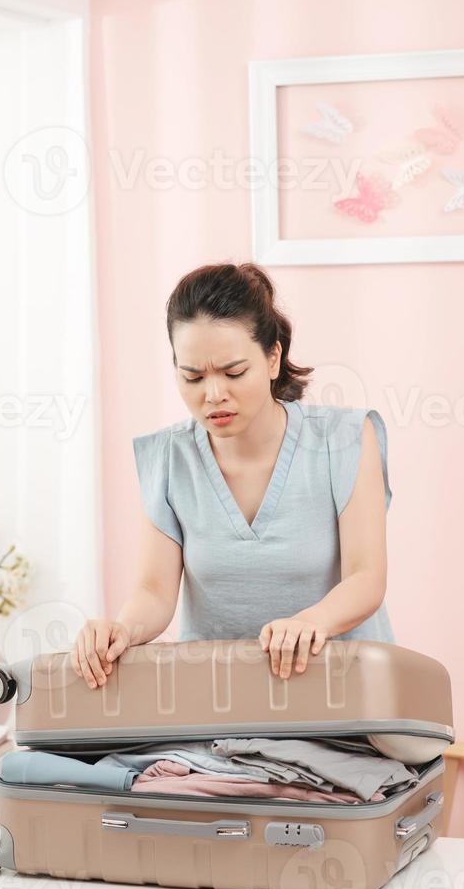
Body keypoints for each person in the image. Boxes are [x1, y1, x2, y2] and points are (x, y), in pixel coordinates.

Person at [72, 261, 394, 690]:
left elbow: (366, 577)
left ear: (274, 358)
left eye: (234, 372)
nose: (213, 394)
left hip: (341, 694)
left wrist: (309, 623)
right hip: (217, 701)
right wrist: (122, 631)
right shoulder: (170, 456)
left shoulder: (346, 439)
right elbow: (154, 591)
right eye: (192, 377)